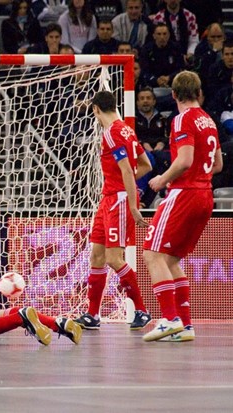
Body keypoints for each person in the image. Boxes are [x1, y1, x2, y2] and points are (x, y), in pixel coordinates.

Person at [142, 71, 223, 342]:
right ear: (199, 92)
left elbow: (185, 160)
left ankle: (168, 318)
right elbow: (218, 165)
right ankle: (185, 326)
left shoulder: (182, 119)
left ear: (174, 95)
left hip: (184, 194)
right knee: (171, 259)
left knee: (151, 254)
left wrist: (161, 179)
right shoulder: (208, 120)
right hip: (205, 195)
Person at [74, 90, 153, 331]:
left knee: (113, 258)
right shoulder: (127, 130)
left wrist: (130, 201)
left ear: (96, 109)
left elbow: (129, 171)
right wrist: (120, 184)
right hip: (107, 199)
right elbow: (146, 165)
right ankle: (92, 314)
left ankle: (141, 310)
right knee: (97, 256)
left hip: (118, 201)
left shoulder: (111, 133)